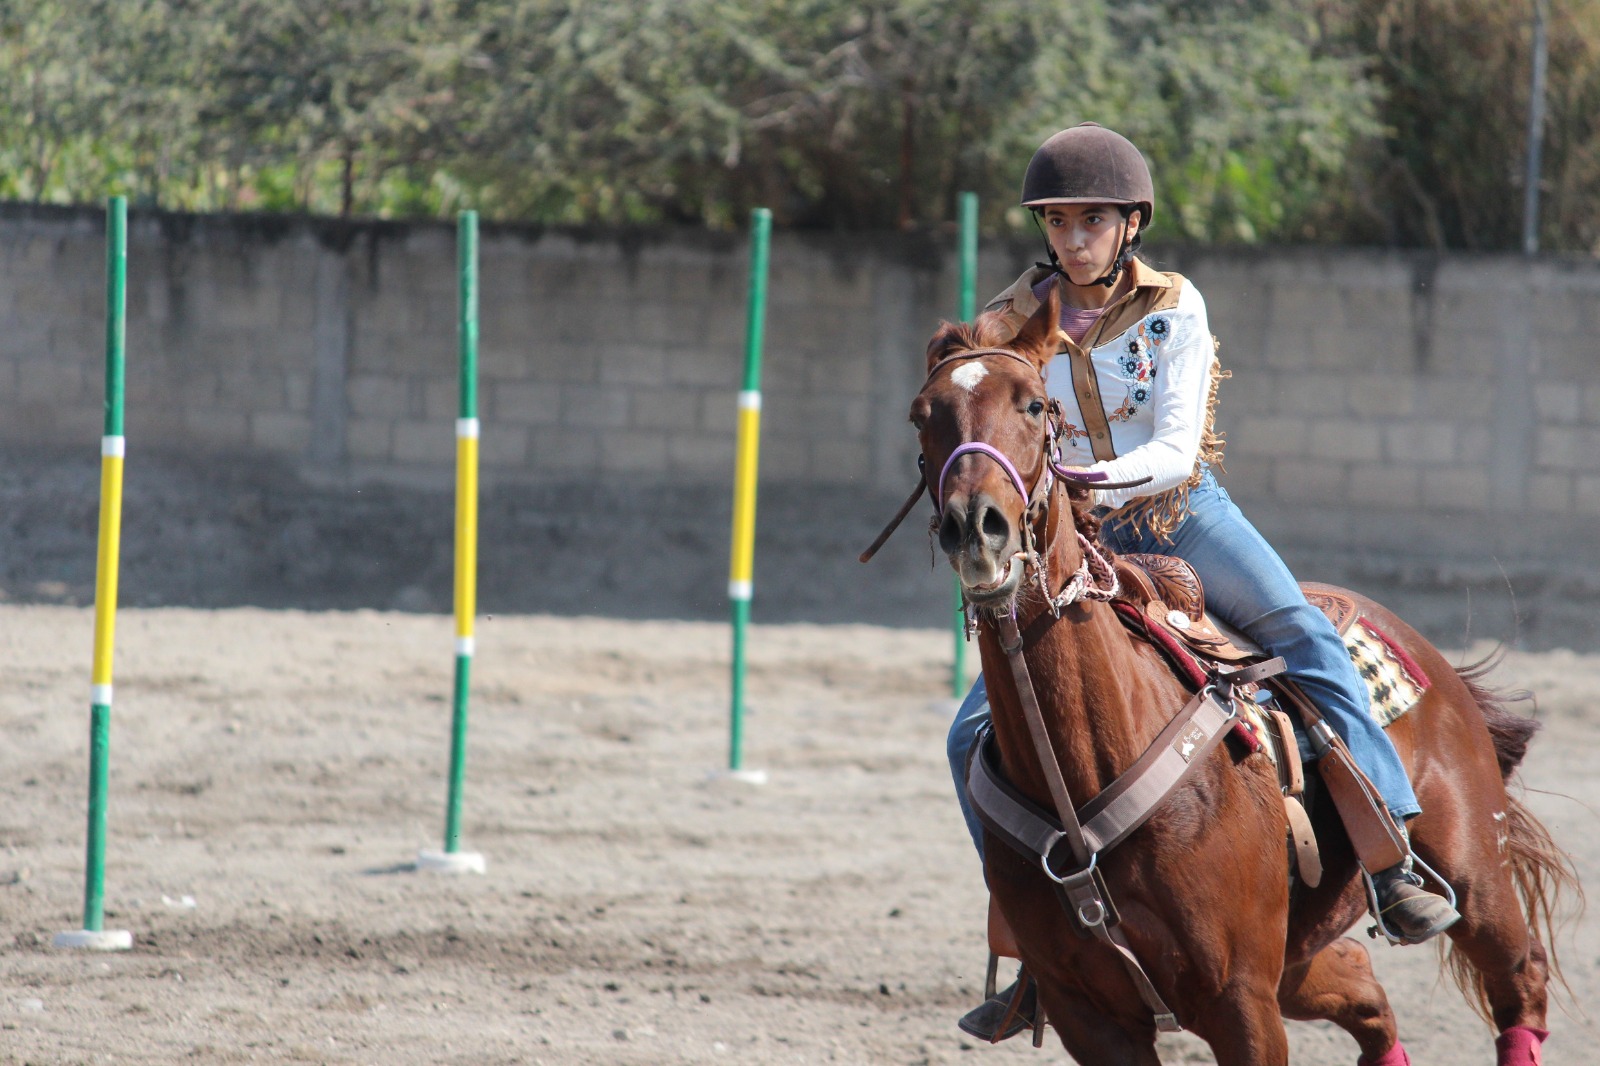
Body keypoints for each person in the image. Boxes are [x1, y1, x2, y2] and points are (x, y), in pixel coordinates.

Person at [946, 122, 1459, 1042]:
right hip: (1073, 535)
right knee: (967, 734)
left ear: (1131, 223)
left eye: (1091, 220)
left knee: (1303, 637)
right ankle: (1031, 948)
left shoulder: (1176, 305)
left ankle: (1392, 860)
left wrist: (1074, 483)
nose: (1072, 239)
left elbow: (1174, 449)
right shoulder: (1011, 318)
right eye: (1057, 221)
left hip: (1184, 514)